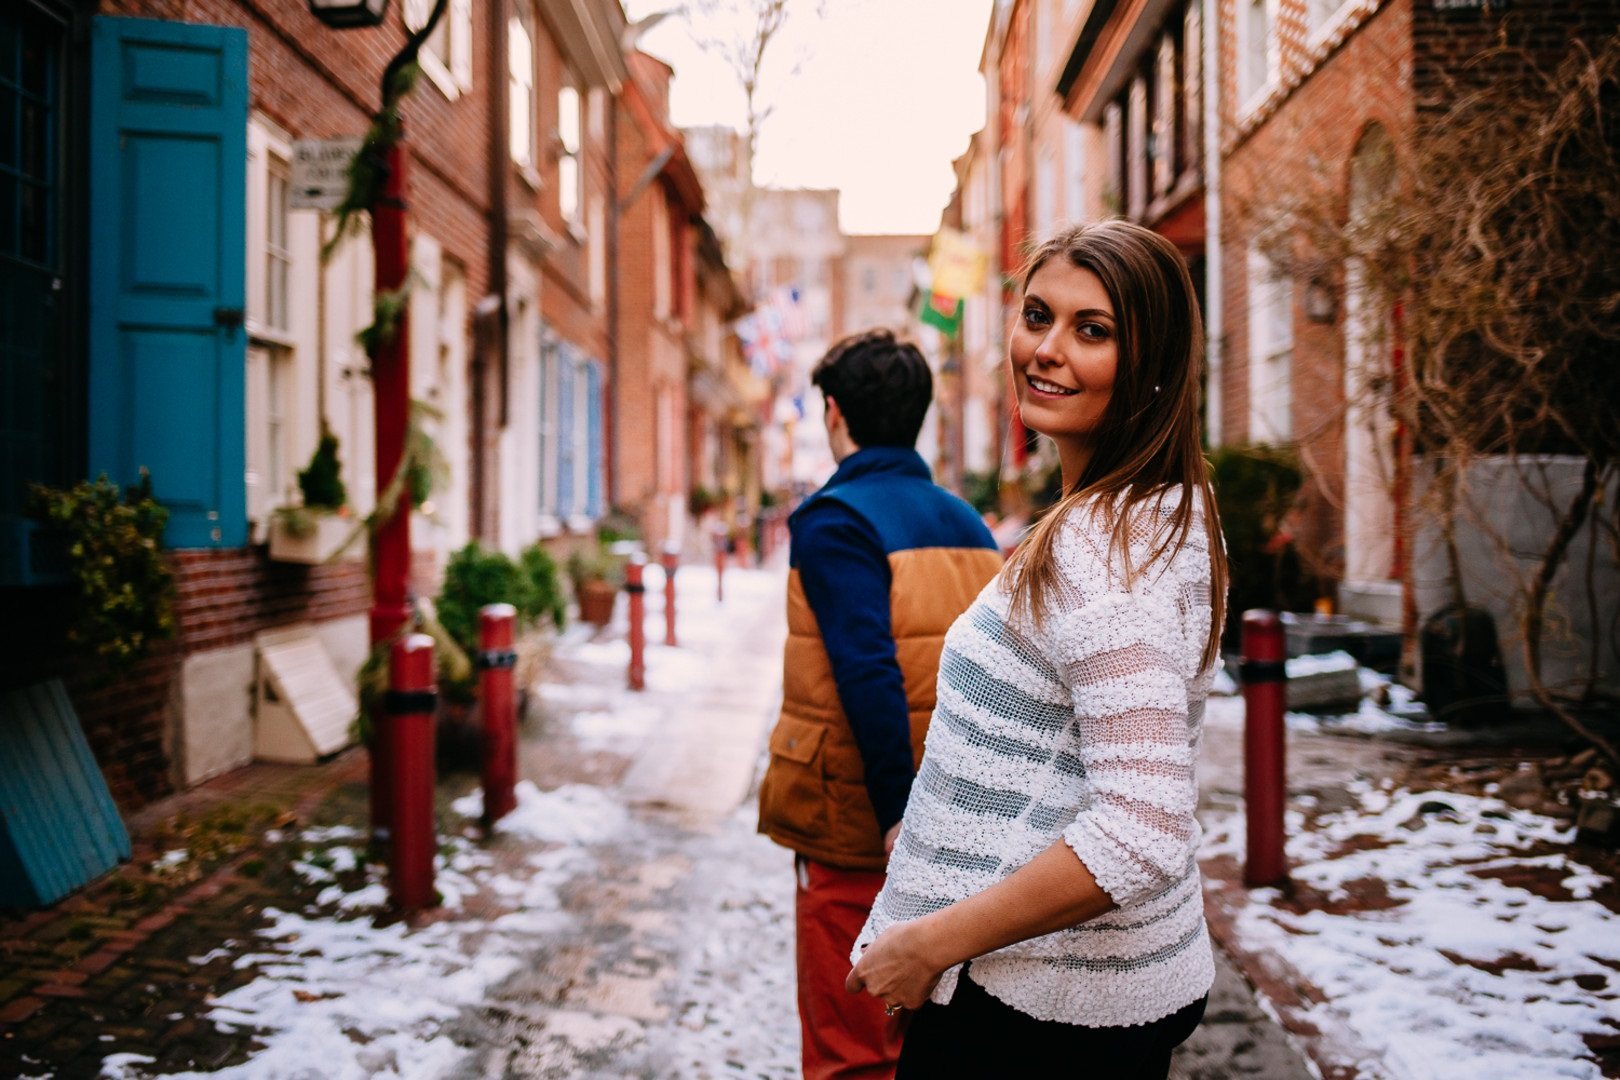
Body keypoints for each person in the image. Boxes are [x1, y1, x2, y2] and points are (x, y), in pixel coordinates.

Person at [845, 220, 1230, 1079]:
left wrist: (929, 944)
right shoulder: (1147, 513)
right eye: (1037, 316)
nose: (1046, 350)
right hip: (1076, 990)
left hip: (1037, 1014)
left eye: (1092, 331)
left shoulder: (1106, 549)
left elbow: (1142, 827)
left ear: (1152, 365)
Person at [758, 329, 1003, 1079]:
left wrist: (900, 814)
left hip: (861, 827)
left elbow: (867, 671)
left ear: (835, 413)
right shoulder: (970, 525)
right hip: (962, 822)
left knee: (851, 1051)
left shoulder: (835, 520)